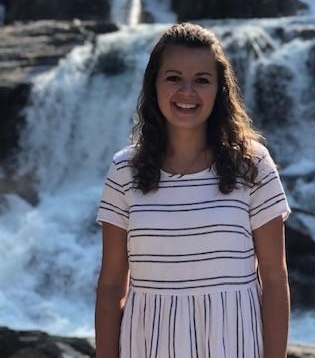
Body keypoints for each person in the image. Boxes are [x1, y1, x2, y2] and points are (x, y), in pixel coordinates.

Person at [95, 22, 291, 358]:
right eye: (173, 78)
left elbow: (274, 280)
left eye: (202, 80)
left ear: (219, 90)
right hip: (147, 346)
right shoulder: (124, 171)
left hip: (234, 345)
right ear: (154, 85)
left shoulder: (253, 164)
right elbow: (112, 285)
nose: (187, 91)